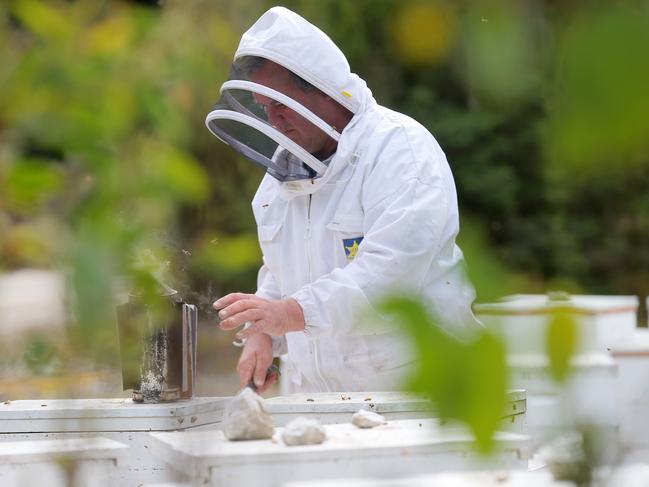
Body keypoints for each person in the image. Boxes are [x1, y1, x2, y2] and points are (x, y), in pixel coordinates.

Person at [206, 6, 481, 394]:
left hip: (421, 399)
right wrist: (264, 334)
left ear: (322, 89)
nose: (273, 122)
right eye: (265, 108)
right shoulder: (279, 181)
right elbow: (280, 270)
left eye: (280, 104)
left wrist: (288, 314)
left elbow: (391, 278)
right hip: (322, 408)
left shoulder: (400, 151)